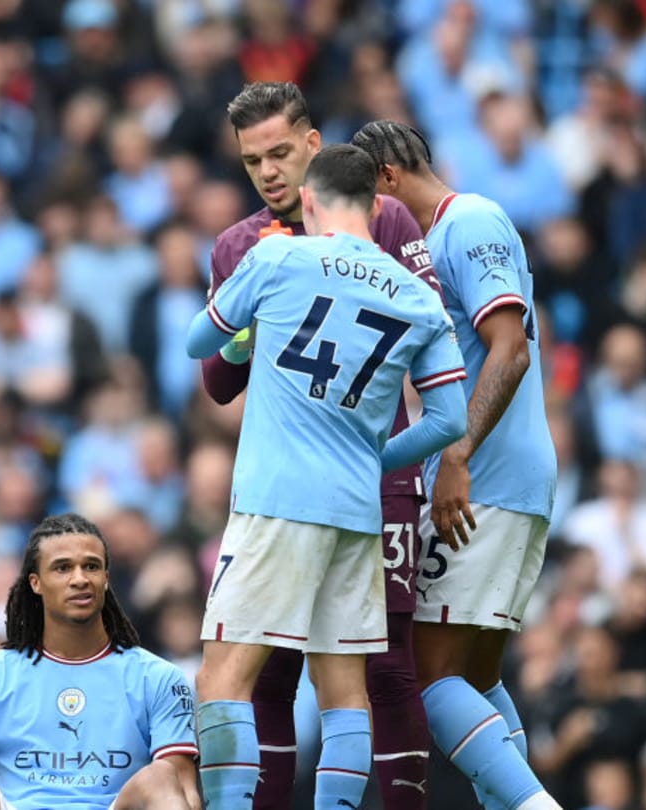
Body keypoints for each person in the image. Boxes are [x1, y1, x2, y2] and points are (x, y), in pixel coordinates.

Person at [185, 143, 469, 809]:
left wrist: (243, 336)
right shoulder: (415, 297)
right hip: (357, 510)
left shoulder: (277, 256)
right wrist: (377, 457)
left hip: (276, 504)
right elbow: (447, 421)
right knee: (344, 693)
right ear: (378, 206)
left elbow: (202, 344)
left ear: (308, 200)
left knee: (222, 680)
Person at [352, 120, 562, 810]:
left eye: (364, 195)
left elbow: (510, 349)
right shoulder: (421, 249)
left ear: (386, 177)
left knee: (424, 671)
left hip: (486, 479)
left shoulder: (470, 222)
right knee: (472, 678)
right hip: (493, 479)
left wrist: (457, 457)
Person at [0, 513, 201, 810]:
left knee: (162, 776)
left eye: (91, 567)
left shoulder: (159, 677)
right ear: (35, 582)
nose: (79, 579)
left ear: (106, 579)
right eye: (62, 568)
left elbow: (185, 792)